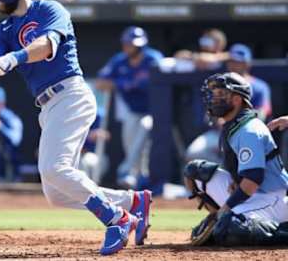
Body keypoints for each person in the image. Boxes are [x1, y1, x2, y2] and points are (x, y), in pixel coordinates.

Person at [0, 0, 152, 255]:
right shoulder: (1, 31)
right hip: (47, 105)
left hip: (71, 94)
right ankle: (132, 203)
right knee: (56, 193)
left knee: (55, 168)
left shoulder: (49, 10)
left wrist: (10, 59)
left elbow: (44, 46)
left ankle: (116, 218)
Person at [184, 72, 288, 246]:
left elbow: (253, 180)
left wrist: (225, 209)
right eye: (214, 94)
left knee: (231, 227)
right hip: (252, 193)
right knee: (195, 172)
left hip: (273, 197)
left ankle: (281, 230)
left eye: (221, 94)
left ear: (237, 99)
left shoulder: (249, 130)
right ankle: (221, 220)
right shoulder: (233, 124)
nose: (215, 99)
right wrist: (234, 181)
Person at [96, 26, 163, 189]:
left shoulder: (152, 58)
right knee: (131, 145)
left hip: (153, 111)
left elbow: (159, 79)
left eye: (133, 44)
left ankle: (126, 173)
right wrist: (124, 84)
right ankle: (140, 179)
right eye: (127, 44)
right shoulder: (119, 61)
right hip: (132, 110)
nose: (129, 47)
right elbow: (101, 83)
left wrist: (128, 84)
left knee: (143, 132)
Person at [226, 43, 272, 121]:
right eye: (231, 61)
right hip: (220, 130)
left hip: (249, 127)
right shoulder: (220, 82)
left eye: (238, 62)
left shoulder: (259, 86)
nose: (233, 65)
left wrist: (243, 122)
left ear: (247, 64)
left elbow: (264, 110)